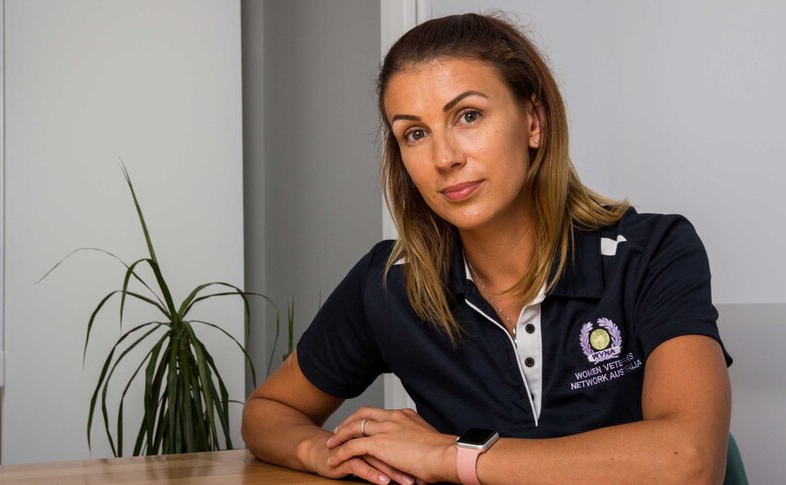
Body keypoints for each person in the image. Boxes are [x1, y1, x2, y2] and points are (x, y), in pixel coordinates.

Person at [242, 12, 731, 485]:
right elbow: (269, 412)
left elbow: (688, 463)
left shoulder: (651, 251)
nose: (445, 158)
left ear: (533, 121)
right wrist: (328, 453)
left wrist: (447, 456)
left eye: (468, 116)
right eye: (415, 133)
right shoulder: (391, 281)